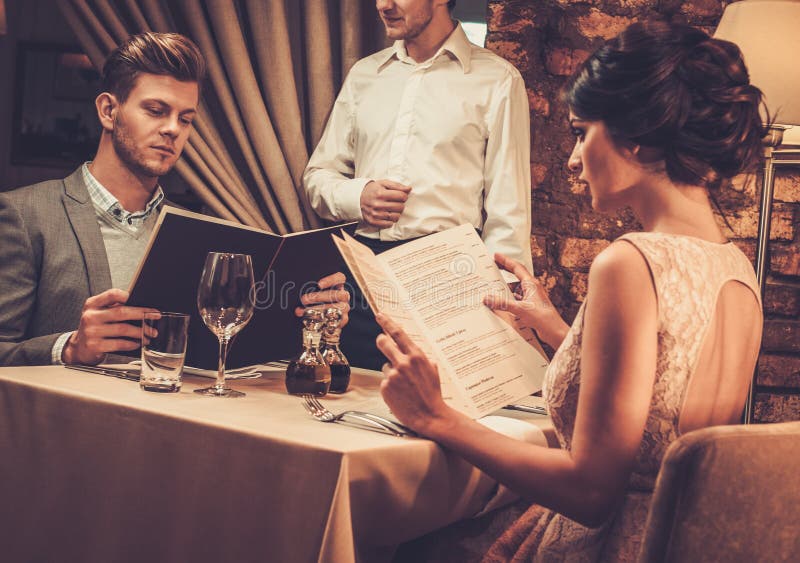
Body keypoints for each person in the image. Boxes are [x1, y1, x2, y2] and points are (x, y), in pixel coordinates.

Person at [378, 21, 766, 561]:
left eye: (582, 131)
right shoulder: (736, 270)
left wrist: (435, 415)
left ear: (637, 135)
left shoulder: (631, 264)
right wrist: (558, 329)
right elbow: (660, 403)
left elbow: (589, 491)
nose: (572, 158)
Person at [0, 32, 348, 367]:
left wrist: (313, 321)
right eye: (155, 110)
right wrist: (67, 348)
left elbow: (226, 350)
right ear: (108, 110)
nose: (173, 129)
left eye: (185, 119)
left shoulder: (196, 234)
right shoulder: (24, 215)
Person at [303, 0, 533, 369]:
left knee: (437, 414)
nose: (383, 5)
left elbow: (510, 215)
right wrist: (357, 196)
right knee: (353, 403)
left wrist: (507, 310)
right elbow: (318, 177)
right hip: (364, 278)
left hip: (451, 280)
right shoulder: (365, 75)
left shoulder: (499, 80)